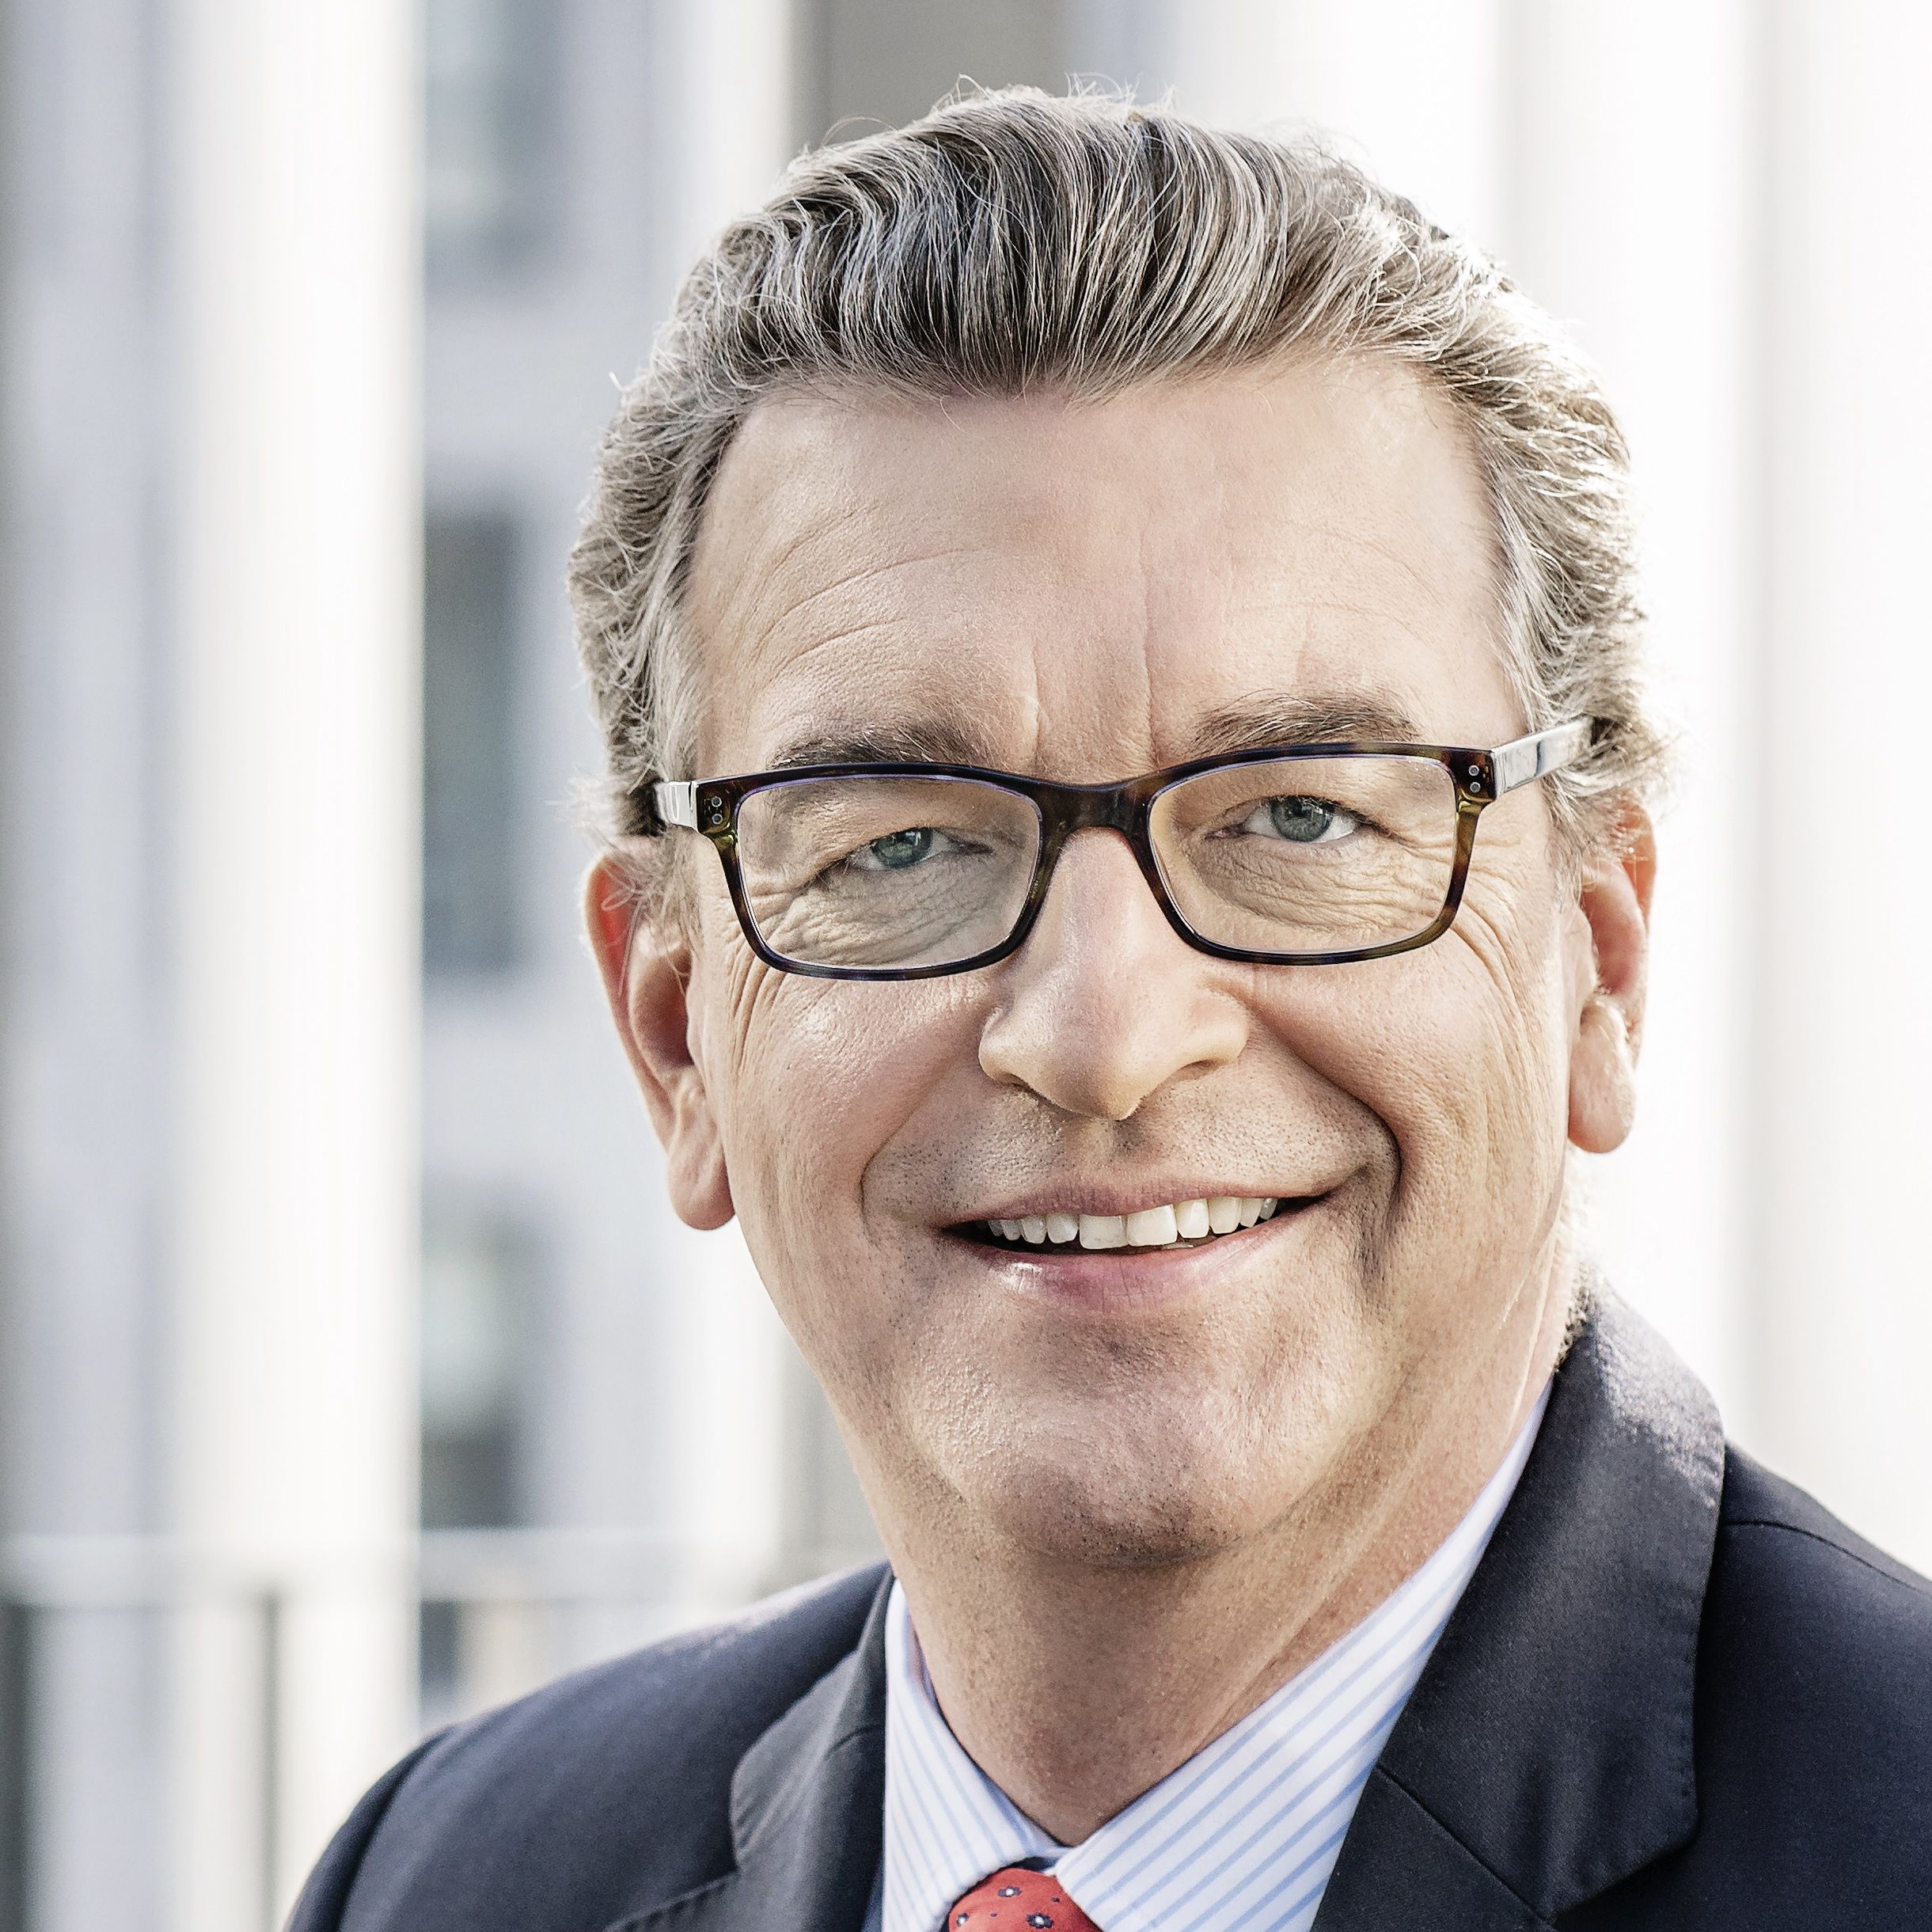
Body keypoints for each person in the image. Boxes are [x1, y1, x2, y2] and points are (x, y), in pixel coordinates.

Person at [293, 89, 1931, 1932]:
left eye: (1301, 817)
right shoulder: (455, 1879)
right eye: (902, 845)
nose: (1102, 1037)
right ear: (674, 1035)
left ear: (1598, 966)